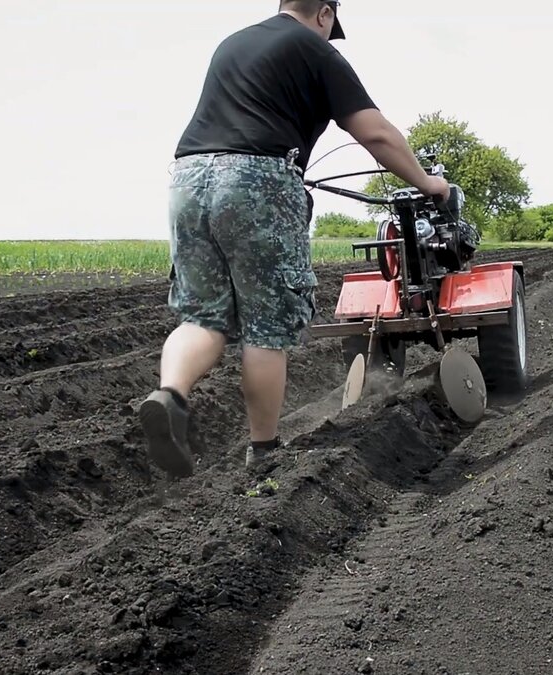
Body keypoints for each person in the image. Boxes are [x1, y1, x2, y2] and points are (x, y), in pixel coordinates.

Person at [138, 0, 450, 479]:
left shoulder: (233, 43)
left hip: (186, 178)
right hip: (257, 179)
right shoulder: (315, 49)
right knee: (267, 326)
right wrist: (430, 183)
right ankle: (263, 454)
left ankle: (170, 395)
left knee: (203, 316)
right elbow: (376, 134)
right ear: (325, 14)